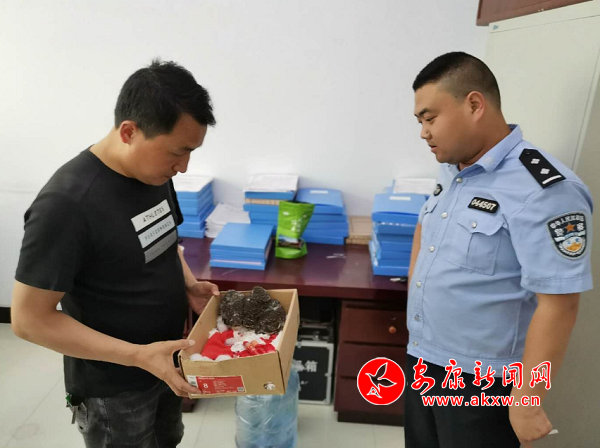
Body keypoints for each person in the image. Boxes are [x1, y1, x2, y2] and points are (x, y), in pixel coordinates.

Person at [11, 59, 220, 448]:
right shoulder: (66, 204)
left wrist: (189, 284)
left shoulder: (153, 172)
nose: (183, 167)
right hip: (114, 388)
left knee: (168, 440)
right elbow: (28, 320)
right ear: (129, 132)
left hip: (165, 362)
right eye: (177, 152)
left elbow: (163, 242)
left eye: (191, 152)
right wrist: (138, 356)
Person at [405, 52, 593, 448]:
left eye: (430, 118)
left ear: (474, 105)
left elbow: (560, 303)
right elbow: (427, 230)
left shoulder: (544, 189)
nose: (424, 133)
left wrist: (528, 399)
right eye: (420, 121)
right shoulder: (453, 168)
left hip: (483, 381)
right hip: (424, 359)